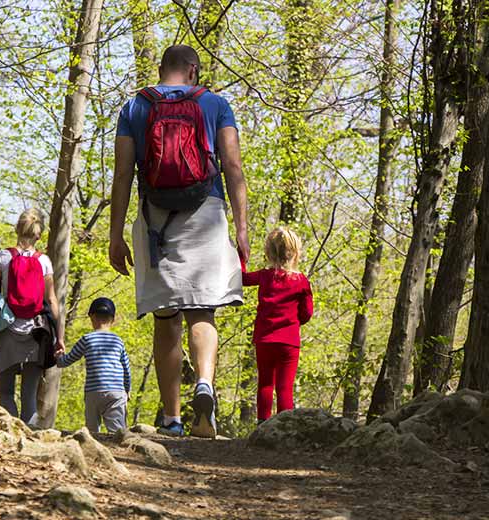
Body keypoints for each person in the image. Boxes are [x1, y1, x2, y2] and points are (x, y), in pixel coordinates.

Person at [109, 44, 249, 438]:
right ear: (193, 70)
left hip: (157, 220)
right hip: (206, 211)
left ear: (161, 69)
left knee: (166, 319)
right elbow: (233, 166)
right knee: (203, 312)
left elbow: (123, 174)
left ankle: (171, 419)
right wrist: (241, 229)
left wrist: (116, 234)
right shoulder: (215, 104)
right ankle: (204, 384)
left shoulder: (136, 107)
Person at [0, 208, 66, 423]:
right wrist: (59, 337)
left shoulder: (2, 257)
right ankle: (28, 446)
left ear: (17, 229)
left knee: (7, 394)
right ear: (39, 234)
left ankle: (10, 440)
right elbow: (52, 301)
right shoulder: (44, 261)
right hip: (36, 333)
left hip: (5, 330)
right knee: (29, 398)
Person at [242, 227, 313, 423]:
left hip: (265, 340)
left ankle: (262, 423)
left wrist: (240, 255)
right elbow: (307, 313)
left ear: (269, 252)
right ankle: (284, 426)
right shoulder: (301, 282)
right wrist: (294, 321)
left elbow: (242, 278)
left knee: (265, 383)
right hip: (289, 342)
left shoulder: (265, 276)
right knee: (285, 387)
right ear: (296, 252)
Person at [55, 297, 131, 434]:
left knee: (92, 432)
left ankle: (93, 451)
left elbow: (66, 361)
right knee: (118, 432)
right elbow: (126, 368)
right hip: (116, 392)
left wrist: (59, 356)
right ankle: (117, 451)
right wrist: (127, 388)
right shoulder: (118, 341)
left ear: (91, 317)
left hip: (93, 391)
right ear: (113, 320)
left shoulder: (87, 339)